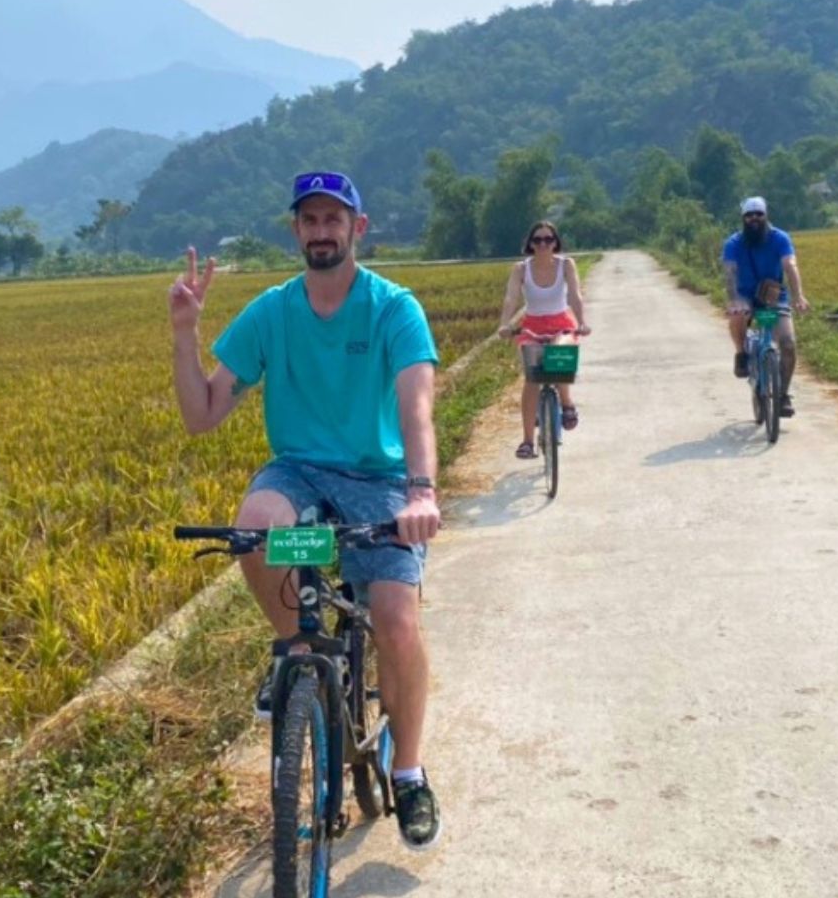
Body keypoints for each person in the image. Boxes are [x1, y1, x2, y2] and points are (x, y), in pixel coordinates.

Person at [169, 170, 445, 851]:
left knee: (394, 622)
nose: (322, 231)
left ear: (358, 227)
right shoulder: (271, 312)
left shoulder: (392, 308)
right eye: (309, 220)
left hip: (379, 481)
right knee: (256, 529)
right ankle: (294, 643)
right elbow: (203, 414)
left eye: (334, 218)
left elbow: (417, 406)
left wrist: (420, 491)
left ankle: (407, 770)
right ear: (296, 231)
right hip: (299, 476)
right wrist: (183, 331)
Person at [494, 221, 590, 459]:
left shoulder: (566, 264)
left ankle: (567, 403)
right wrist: (505, 324)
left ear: (555, 242)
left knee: (560, 355)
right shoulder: (521, 269)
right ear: (530, 244)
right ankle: (527, 441)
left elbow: (575, 295)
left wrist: (582, 321)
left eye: (548, 239)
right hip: (532, 325)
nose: (543, 244)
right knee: (533, 378)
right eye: (538, 240)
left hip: (561, 323)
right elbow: (511, 298)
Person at [722, 196, 811, 417]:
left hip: (773, 297)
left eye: (758, 214)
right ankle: (741, 353)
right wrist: (734, 299)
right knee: (737, 316)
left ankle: (783, 396)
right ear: (743, 218)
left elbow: (790, 265)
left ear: (766, 215)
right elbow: (730, 272)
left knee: (788, 345)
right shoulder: (734, 243)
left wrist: (798, 295)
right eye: (749, 215)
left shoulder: (779, 238)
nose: (754, 219)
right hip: (745, 296)